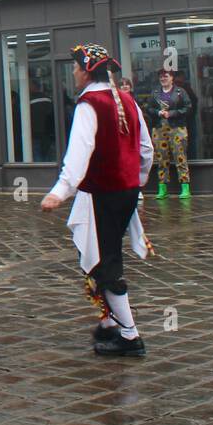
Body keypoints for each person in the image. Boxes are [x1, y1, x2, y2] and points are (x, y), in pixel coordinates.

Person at [41, 45, 154, 357]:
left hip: (100, 194)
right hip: (125, 191)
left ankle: (130, 336)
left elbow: (79, 153)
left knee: (105, 263)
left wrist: (60, 191)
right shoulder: (127, 100)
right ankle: (109, 323)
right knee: (105, 255)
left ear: (87, 71)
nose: (74, 73)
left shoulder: (89, 104)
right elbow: (145, 148)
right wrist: (138, 178)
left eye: (77, 68)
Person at [147, 67, 192, 200]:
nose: (163, 78)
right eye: (161, 76)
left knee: (180, 157)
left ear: (172, 78)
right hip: (159, 128)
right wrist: (157, 112)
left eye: (166, 76)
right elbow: (148, 108)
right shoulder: (155, 92)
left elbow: (188, 107)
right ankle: (162, 188)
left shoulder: (180, 91)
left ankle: (185, 187)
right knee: (161, 159)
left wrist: (172, 113)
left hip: (177, 128)